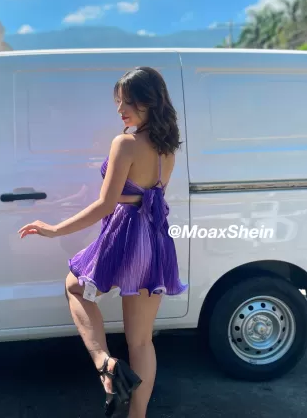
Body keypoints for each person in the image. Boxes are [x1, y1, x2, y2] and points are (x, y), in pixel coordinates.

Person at [18, 66, 188, 417]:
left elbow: (106, 204)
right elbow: (142, 195)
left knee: (74, 286)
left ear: (149, 101)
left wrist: (54, 229)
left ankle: (105, 363)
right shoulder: (167, 148)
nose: (120, 109)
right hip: (155, 239)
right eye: (119, 102)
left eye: (128, 102)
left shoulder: (125, 143)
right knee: (141, 341)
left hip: (126, 235)